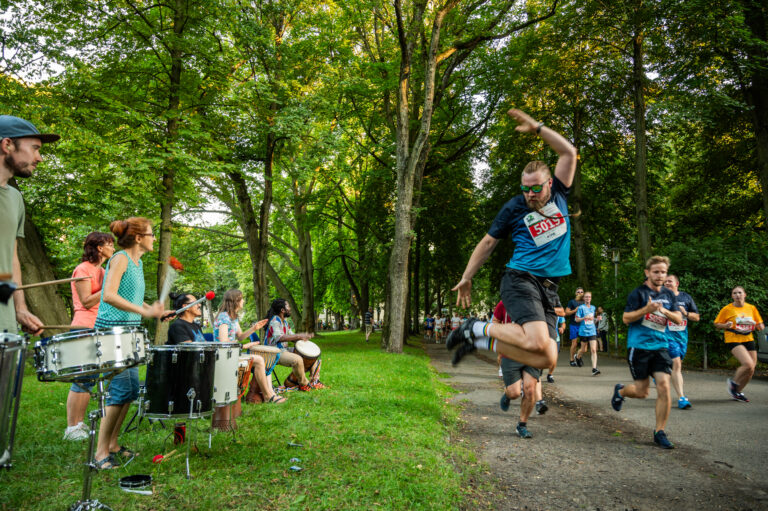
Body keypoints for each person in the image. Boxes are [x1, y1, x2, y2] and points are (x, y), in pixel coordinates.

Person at [447, 108, 577, 371]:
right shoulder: (514, 208)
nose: (530, 194)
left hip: (550, 288)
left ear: (550, 183)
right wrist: (467, 275)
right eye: (525, 188)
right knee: (537, 340)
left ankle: (479, 341)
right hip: (521, 278)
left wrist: (537, 127)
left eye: (536, 187)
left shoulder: (560, 194)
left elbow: (568, 153)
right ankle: (475, 326)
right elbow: (487, 243)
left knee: (547, 358)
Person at [92, 217, 174, 470]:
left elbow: (133, 298)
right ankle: (99, 453)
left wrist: (154, 311)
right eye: (151, 234)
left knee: (128, 392)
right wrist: (144, 310)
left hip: (129, 333)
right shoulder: (120, 258)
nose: (153, 238)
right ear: (138, 238)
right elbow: (109, 295)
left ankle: (114, 444)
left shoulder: (137, 264)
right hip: (111, 333)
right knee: (119, 392)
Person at [610, 256, 682, 449]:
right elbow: (626, 318)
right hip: (639, 346)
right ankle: (621, 391)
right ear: (647, 273)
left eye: (663, 272)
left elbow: (677, 318)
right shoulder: (638, 294)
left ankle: (660, 432)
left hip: (660, 346)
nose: (660, 275)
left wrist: (664, 312)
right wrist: (646, 309)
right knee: (642, 392)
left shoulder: (668, 295)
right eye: (656, 272)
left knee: (664, 387)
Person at [0, 116, 53, 336]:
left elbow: (9, 259)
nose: (39, 158)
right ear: (7, 144)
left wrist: (20, 308)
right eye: (34, 148)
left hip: (5, 323)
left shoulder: (14, 198)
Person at [63, 232, 115, 441]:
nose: (113, 247)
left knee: (91, 378)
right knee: (82, 379)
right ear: (99, 248)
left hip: (100, 326)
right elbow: (85, 301)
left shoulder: (103, 270)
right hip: (84, 327)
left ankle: (80, 424)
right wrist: (107, 288)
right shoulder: (82, 269)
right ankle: (71, 427)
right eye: (110, 244)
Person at [211, 289, 282, 404]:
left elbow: (239, 336)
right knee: (259, 360)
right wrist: (244, 346)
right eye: (242, 298)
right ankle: (268, 395)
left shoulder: (233, 317)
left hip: (231, 353)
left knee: (259, 360)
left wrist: (254, 328)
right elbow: (223, 342)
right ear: (236, 301)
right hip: (223, 356)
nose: (243, 301)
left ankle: (265, 393)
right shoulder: (224, 317)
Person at [494, 301, 540, 439]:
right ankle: (507, 395)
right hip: (510, 353)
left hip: (532, 353)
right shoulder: (504, 303)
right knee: (514, 393)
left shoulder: (536, 302)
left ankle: (522, 425)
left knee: (530, 389)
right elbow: (495, 322)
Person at [713, 286, 763, 403]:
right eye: (734, 293)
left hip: (748, 338)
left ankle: (737, 392)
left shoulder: (751, 308)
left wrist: (759, 326)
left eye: (740, 293)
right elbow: (717, 324)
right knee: (748, 363)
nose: (737, 295)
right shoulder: (727, 309)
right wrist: (725, 326)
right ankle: (733, 383)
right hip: (733, 338)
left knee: (751, 369)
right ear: (732, 296)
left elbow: (759, 324)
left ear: (744, 294)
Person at [265, 298, 324, 390]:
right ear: (282, 310)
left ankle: (314, 381)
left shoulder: (284, 322)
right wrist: (298, 336)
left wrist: (304, 339)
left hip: (283, 350)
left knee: (312, 356)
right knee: (297, 359)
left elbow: (291, 336)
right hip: (273, 352)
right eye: (288, 306)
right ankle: (304, 384)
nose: (290, 308)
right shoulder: (275, 321)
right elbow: (280, 338)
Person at [663, 275, 700, 409]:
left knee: (676, 366)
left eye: (669, 281)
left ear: (676, 283)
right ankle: (681, 398)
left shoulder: (686, 297)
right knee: (676, 364)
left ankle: (661, 371)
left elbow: (697, 317)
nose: (666, 283)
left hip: (682, 337)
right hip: (666, 336)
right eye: (665, 281)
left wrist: (686, 313)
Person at [574, 291, 600, 376]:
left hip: (592, 331)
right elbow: (576, 319)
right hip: (583, 331)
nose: (588, 298)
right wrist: (583, 317)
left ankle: (594, 369)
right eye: (586, 297)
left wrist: (597, 319)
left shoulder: (593, 307)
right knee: (584, 350)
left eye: (589, 297)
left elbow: (593, 320)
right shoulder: (581, 308)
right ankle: (577, 357)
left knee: (593, 349)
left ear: (591, 298)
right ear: (584, 298)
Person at [565, 288, 584, 366]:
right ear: (575, 293)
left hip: (583, 325)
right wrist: (574, 310)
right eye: (578, 292)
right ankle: (572, 359)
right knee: (574, 343)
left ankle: (578, 356)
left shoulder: (585, 302)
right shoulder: (572, 302)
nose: (580, 293)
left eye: (581, 292)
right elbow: (566, 313)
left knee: (584, 344)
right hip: (574, 324)